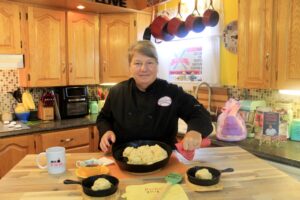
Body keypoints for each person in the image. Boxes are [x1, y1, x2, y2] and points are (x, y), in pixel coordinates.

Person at [96, 40, 213, 152]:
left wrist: (195, 131)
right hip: (124, 158)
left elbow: (200, 114)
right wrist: (106, 131)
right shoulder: (117, 92)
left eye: (150, 62)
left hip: (165, 160)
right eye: (137, 63)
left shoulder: (172, 92)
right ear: (130, 66)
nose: (144, 69)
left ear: (157, 65)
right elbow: (103, 118)